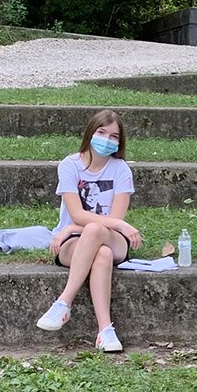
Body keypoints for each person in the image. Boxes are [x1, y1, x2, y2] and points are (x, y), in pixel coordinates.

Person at [35, 109, 142, 352]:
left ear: (119, 142)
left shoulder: (121, 169)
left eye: (114, 136)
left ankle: (63, 303)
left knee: (95, 230)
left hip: (111, 238)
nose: (107, 140)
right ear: (90, 133)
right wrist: (75, 227)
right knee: (101, 254)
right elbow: (77, 214)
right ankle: (105, 331)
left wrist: (112, 224)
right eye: (102, 132)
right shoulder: (70, 165)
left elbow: (112, 220)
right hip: (73, 241)